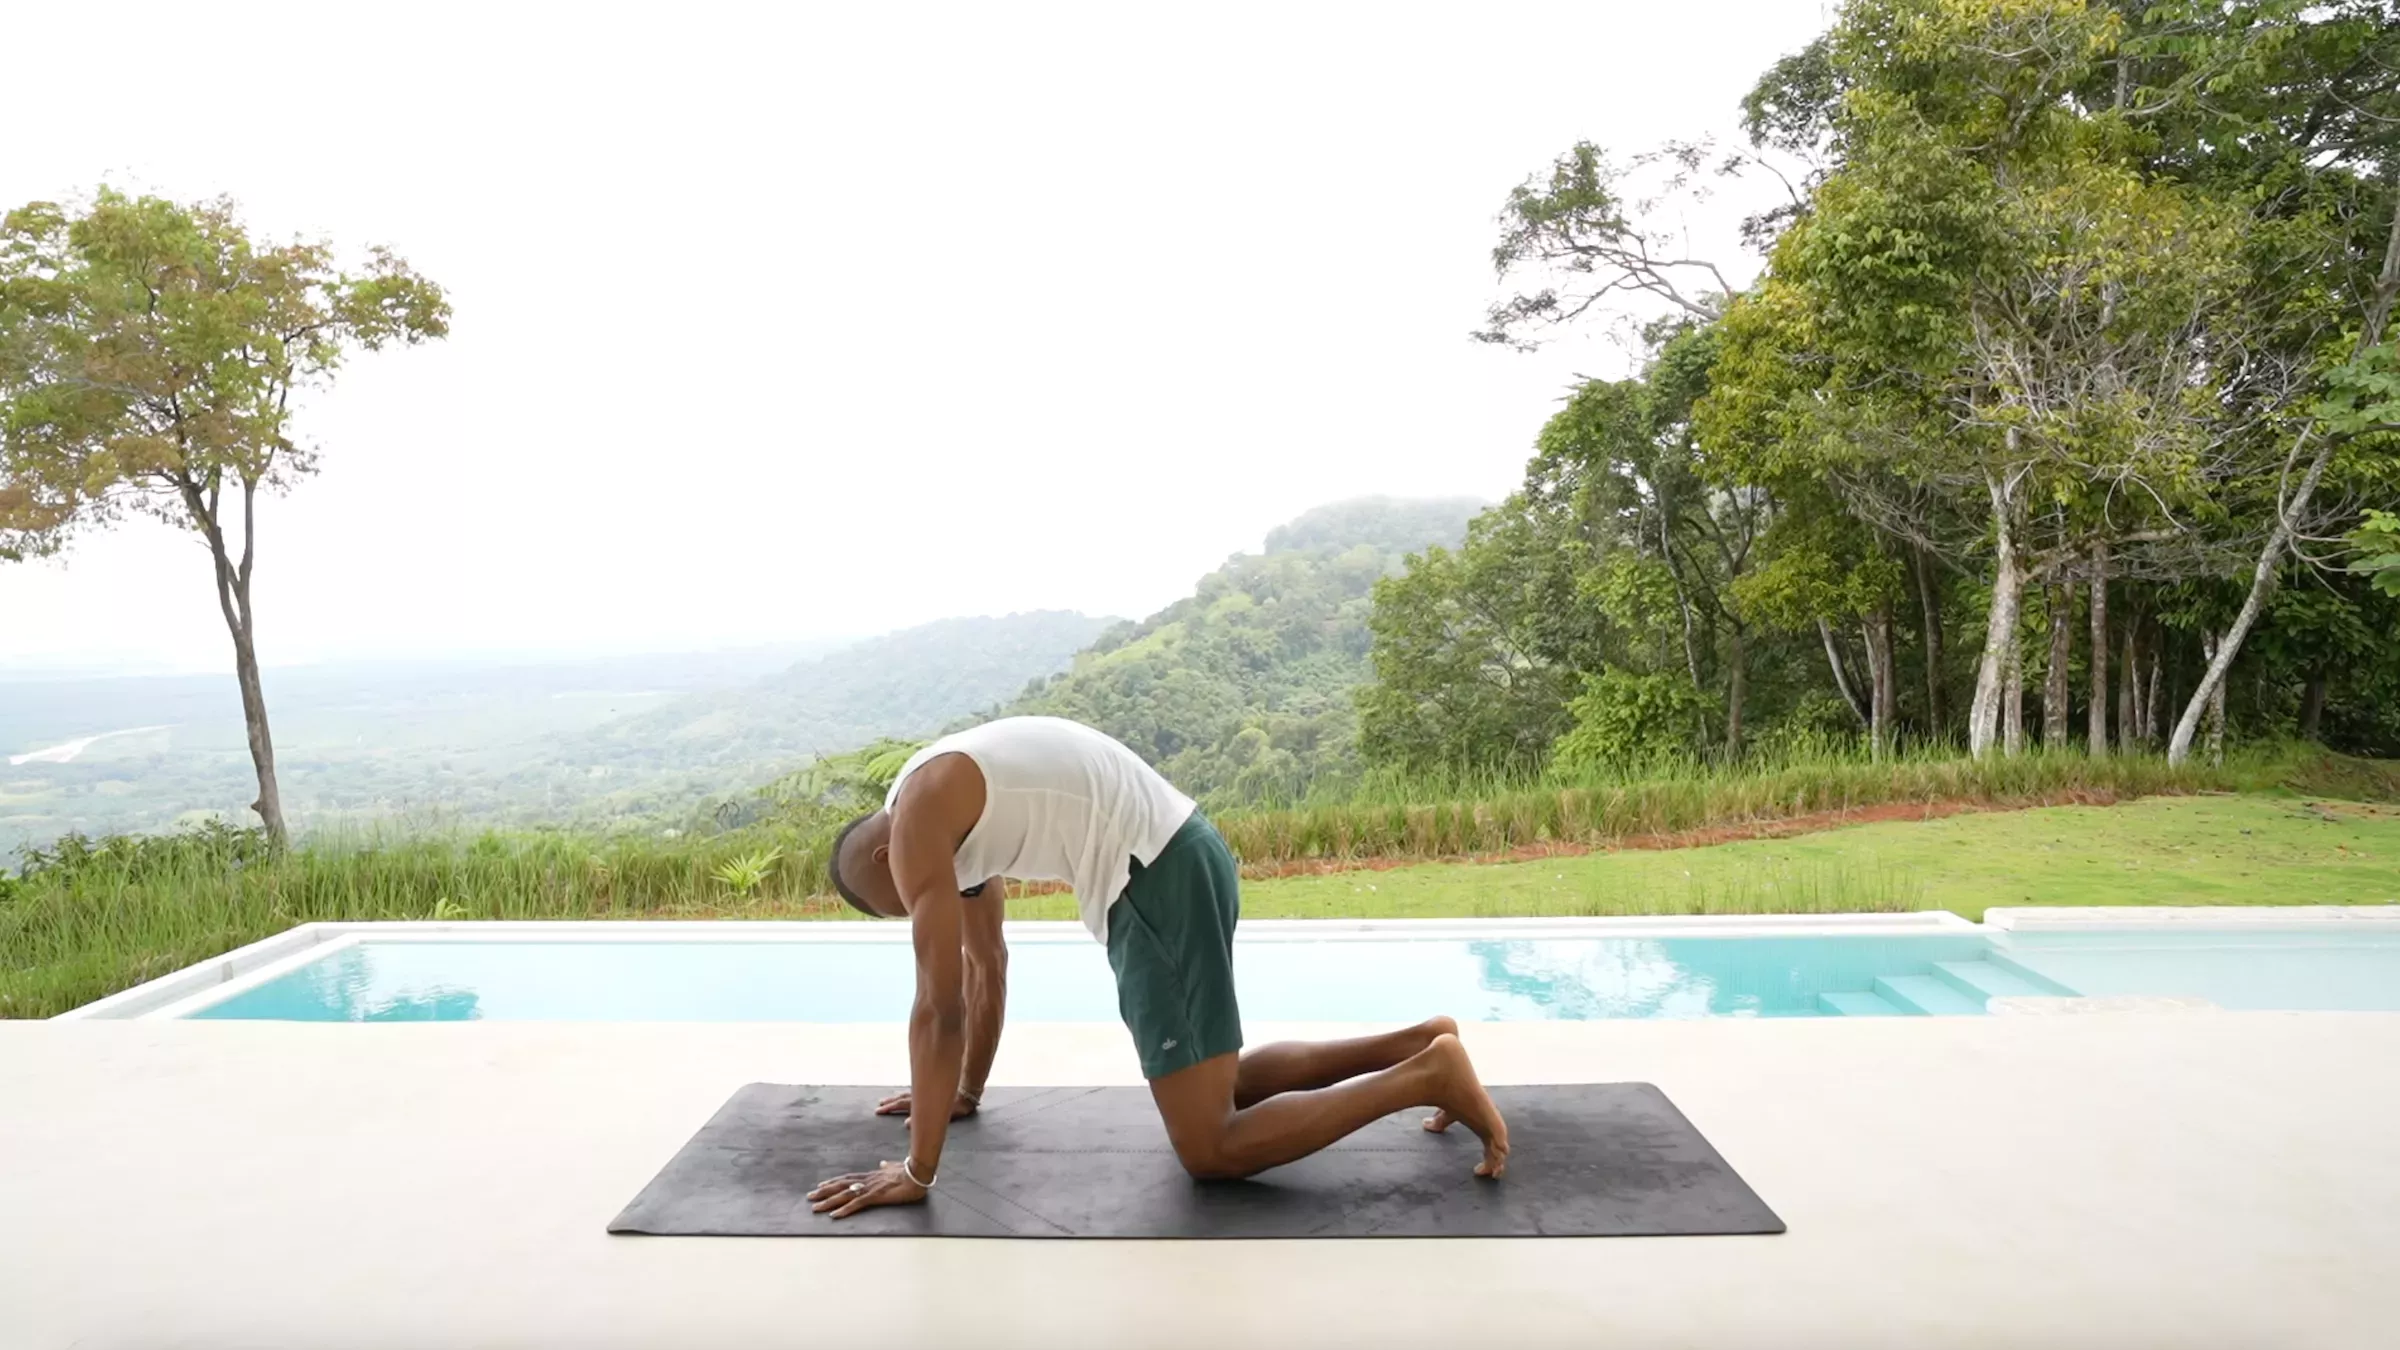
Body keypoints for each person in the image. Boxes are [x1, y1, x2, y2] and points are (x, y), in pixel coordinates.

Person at [805, 715, 1508, 1219]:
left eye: (899, 901)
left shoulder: (918, 819)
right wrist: (965, 1092)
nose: (917, 900)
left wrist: (916, 1171)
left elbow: (941, 1007)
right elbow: (986, 963)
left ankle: (1426, 1075)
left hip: (1153, 881)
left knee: (1210, 1146)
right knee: (1218, 1082)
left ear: (880, 857)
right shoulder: (942, 802)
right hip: (1183, 851)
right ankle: (1418, 1041)